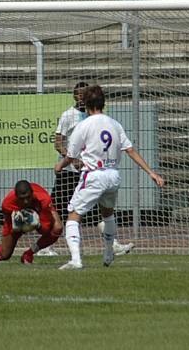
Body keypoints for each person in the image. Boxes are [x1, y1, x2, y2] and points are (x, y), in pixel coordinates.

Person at [54, 85, 165, 270]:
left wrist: (59, 166)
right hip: (113, 175)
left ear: (86, 104)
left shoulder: (84, 125)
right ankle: (108, 251)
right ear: (103, 103)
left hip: (94, 175)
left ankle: (75, 260)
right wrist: (151, 172)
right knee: (107, 214)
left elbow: (71, 156)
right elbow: (130, 150)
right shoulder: (114, 124)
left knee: (73, 216)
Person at [41, 81, 134, 257]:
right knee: (58, 207)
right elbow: (58, 142)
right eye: (79, 94)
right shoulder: (68, 115)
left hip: (91, 171)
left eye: (85, 94)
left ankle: (112, 244)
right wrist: (72, 159)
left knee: (98, 210)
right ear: (74, 96)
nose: (82, 97)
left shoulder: (98, 117)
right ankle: (46, 245)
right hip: (70, 172)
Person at [0, 180, 63, 265]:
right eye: (22, 199)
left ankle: (29, 254)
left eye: (28, 197)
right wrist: (19, 226)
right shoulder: (7, 204)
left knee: (58, 227)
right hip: (17, 219)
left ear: (32, 193)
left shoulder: (44, 200)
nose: (26, 201)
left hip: (40, 210)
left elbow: (45, 230)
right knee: (5, 254)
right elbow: (11, 227)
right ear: (16, 196)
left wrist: (37, 225)